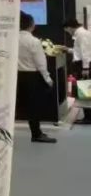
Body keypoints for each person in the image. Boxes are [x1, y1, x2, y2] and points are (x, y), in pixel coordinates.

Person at [17, 11, 58, 144]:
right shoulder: (34, 41)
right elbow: (41, 63)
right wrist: (48, 79)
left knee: (20, 105)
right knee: (34, 106)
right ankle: (36, 134)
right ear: (31, 25)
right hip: (32, 77)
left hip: (17, 76)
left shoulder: (12, 40)